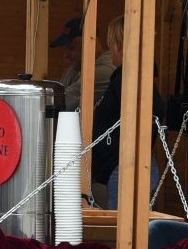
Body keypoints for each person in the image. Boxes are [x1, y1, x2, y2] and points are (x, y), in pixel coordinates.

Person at [90, 16, 166, 210]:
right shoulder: (142, 77)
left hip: (125, 168)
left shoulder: (127, 78)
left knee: (124, 232)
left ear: (119, 46)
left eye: (110, 45)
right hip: (130, 165)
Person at [51, 16, 116, 113]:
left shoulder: (105, 70)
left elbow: (60, 102)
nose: (66, 55)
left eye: (71, 47)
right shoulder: (74, 69)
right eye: (66, 48)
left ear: (90, 40)